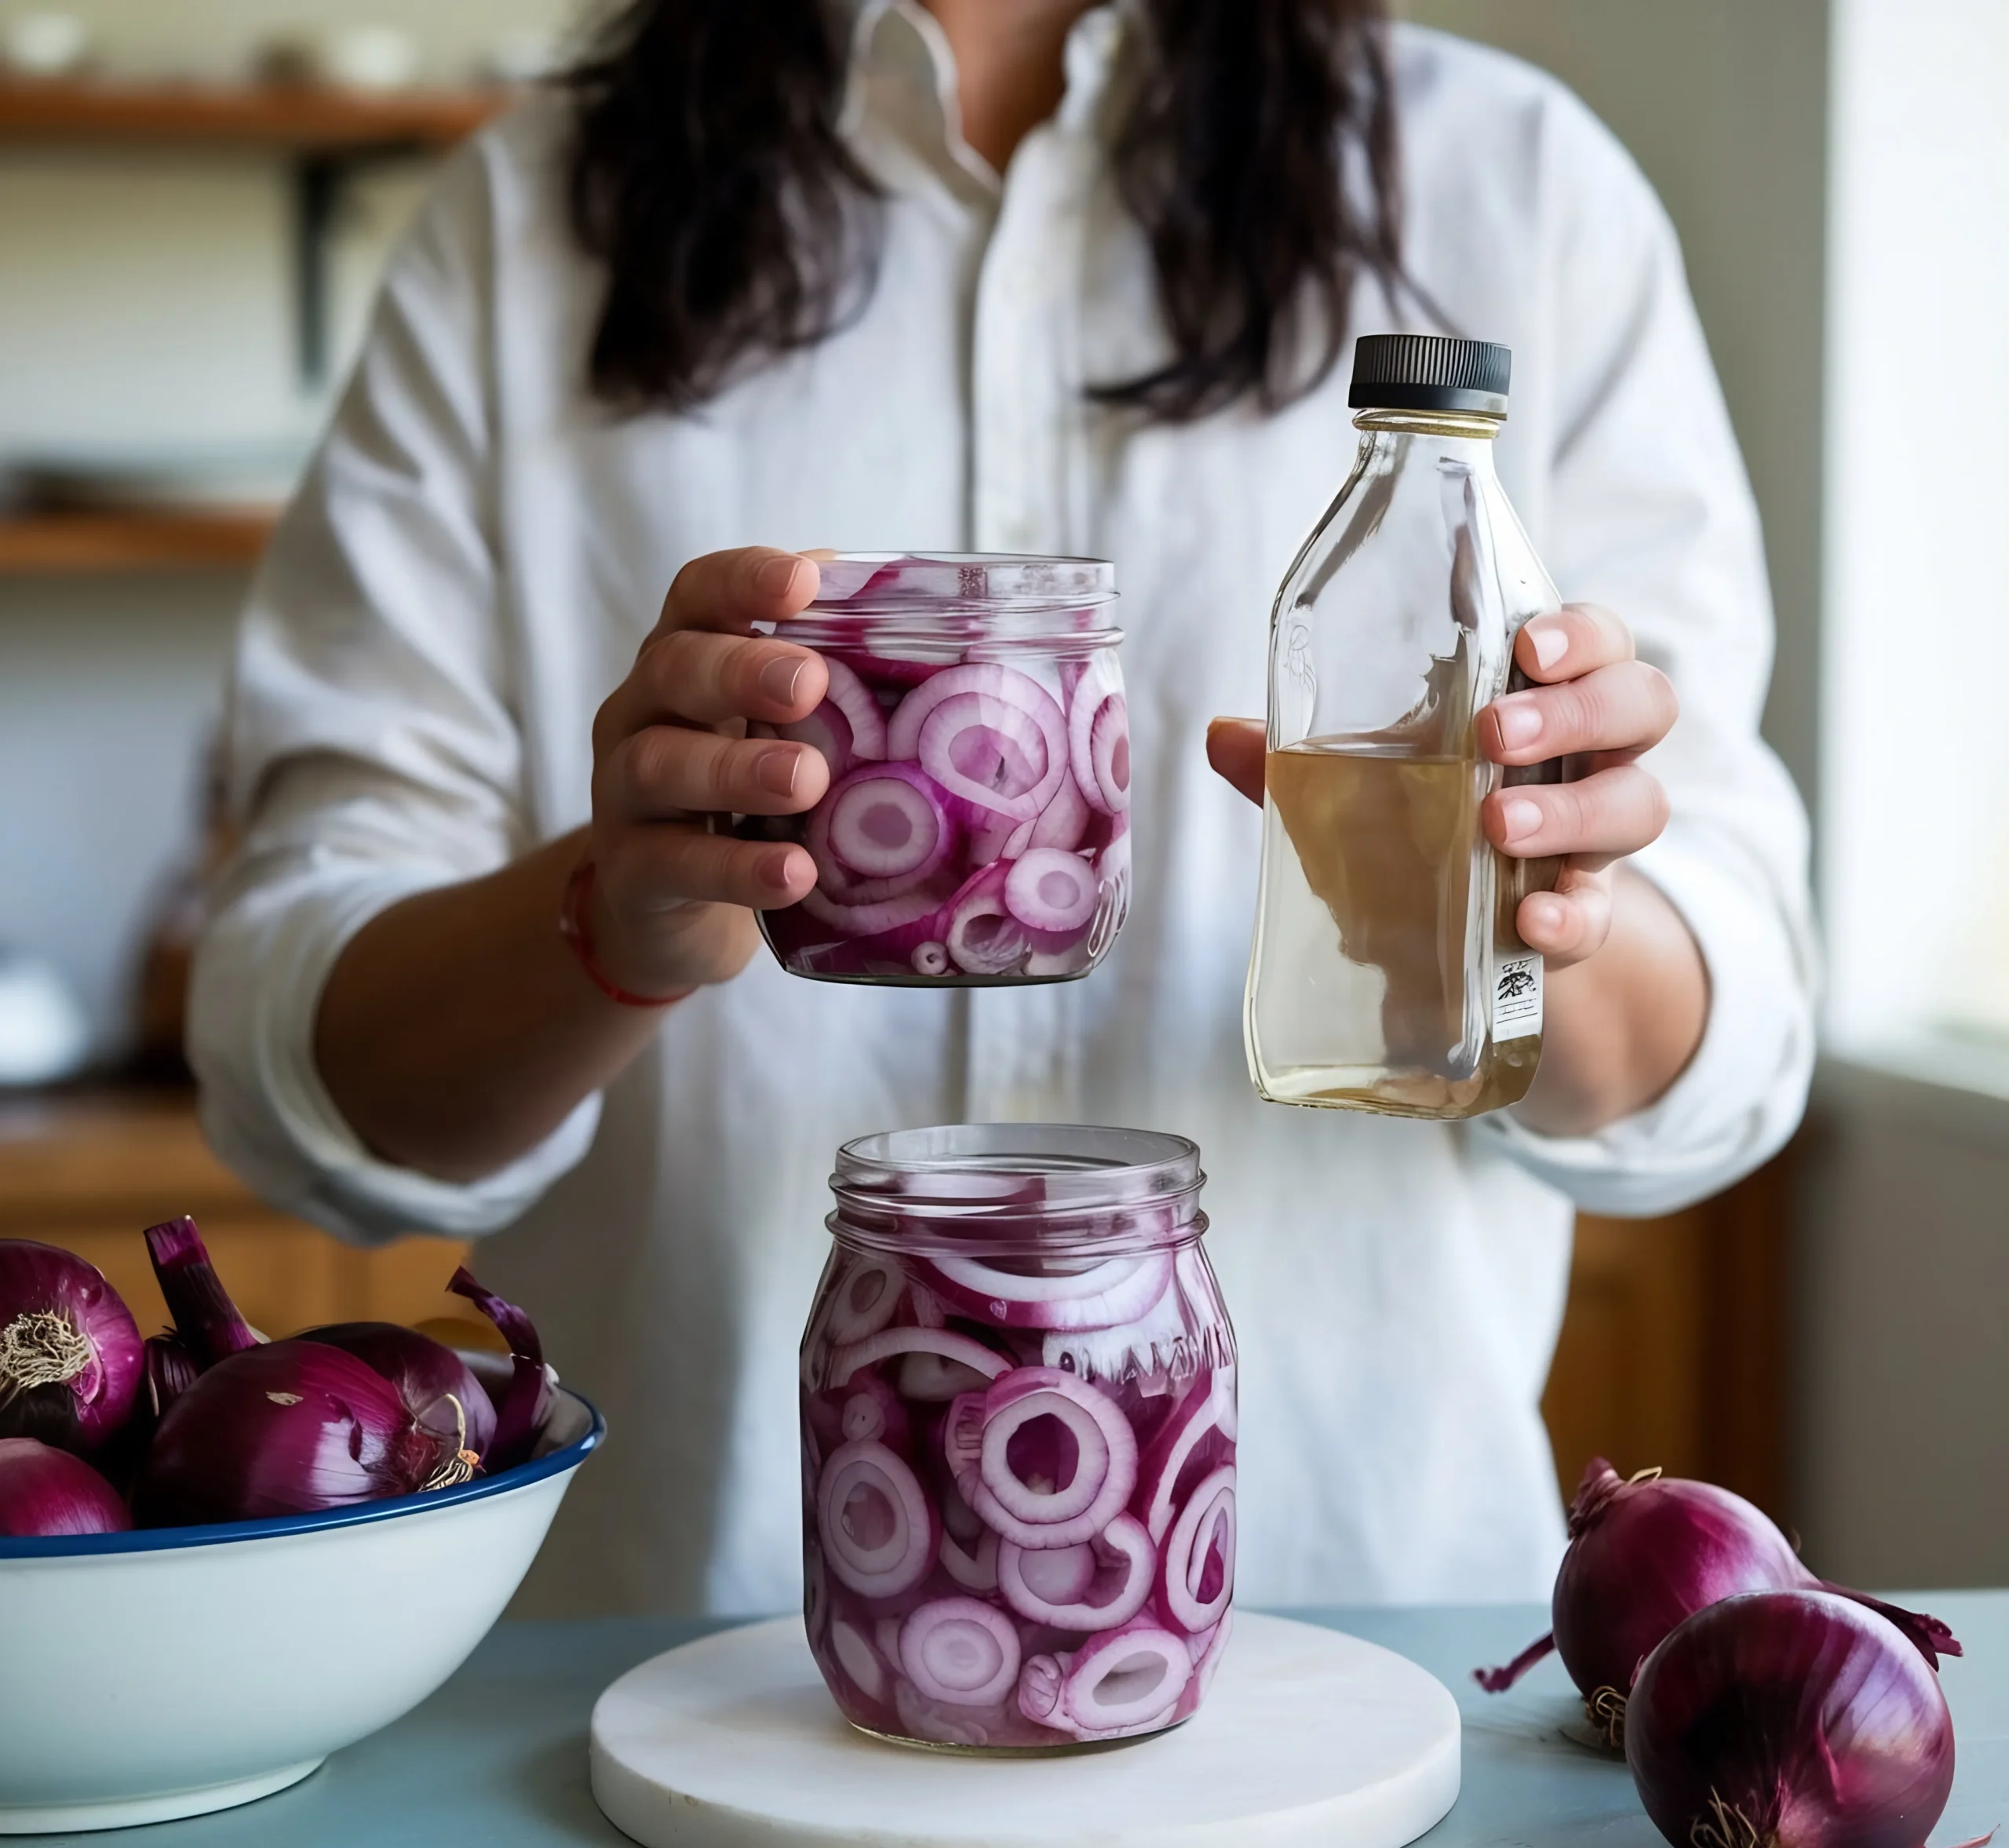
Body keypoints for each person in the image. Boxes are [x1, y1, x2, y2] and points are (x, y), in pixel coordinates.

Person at [191, 0, 1814, 1615]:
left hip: (1350, 1630)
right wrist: (607, 922)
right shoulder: (528, 218)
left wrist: (1534, 905)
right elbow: (305, 1073)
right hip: (678, 1663)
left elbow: (1718, 1047)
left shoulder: (1515, 185)